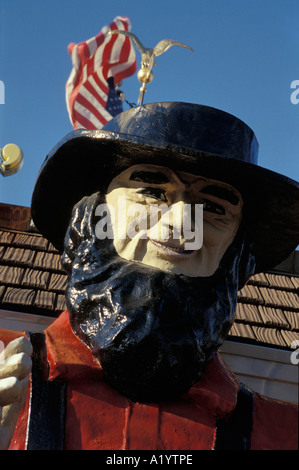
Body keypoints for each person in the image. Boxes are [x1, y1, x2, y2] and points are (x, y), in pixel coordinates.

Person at [0, 102, 298, 450]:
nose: (180, 225)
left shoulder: (283, 434)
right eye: (152, 192)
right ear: (94, 215)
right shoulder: (7, 367)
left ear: (236, 249)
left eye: (215, 208)